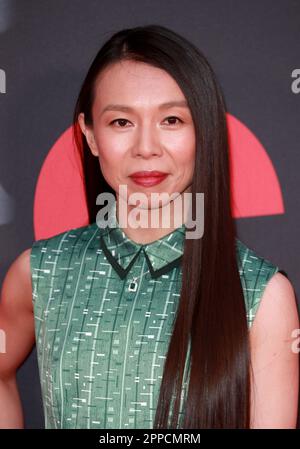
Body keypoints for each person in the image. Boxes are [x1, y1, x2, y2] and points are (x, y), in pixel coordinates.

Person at [0, 25, 299, 429]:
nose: (146, 147)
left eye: (172, 120)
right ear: (90, 135)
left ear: (204, 131)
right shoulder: (41, 271)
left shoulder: (262, 295)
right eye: (121, 122)